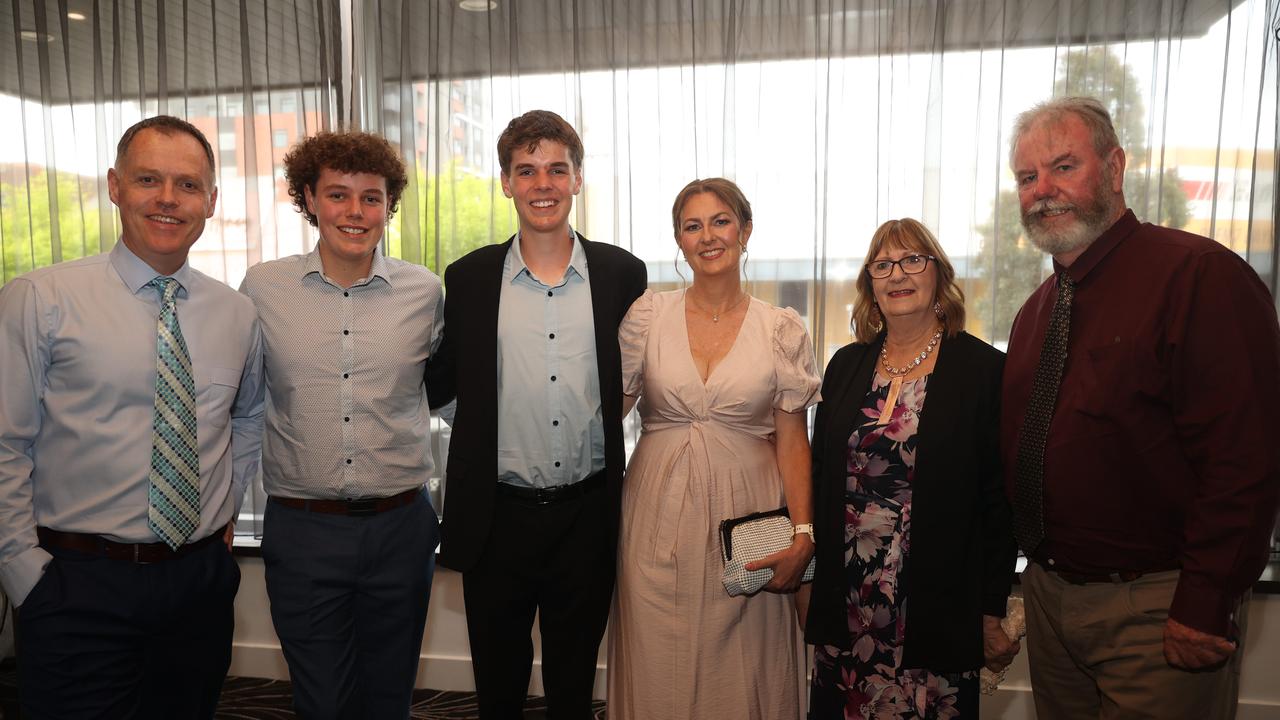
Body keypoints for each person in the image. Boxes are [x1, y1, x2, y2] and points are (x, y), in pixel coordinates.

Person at [1003, 96, 1280, 719]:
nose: (1043, 190)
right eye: (1027, 177)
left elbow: (1246, 458)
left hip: (1158, 610)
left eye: (1064, 167)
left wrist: (1207, 602)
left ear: (1115, 167)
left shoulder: (1200, 277)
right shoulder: (1034, 312)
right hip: (1048, 603)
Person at [0, 115, 264, 719]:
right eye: (149, 179)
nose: (168, 199)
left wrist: (222, 511)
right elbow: (5, 444)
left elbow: (246, 420)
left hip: (197, 583)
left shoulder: (236, 314)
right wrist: (26, 574)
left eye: (188, 185)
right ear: (116, 186)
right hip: (76, 583)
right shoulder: (40, 300)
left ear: (211, 201)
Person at [425, 110, 647, 718]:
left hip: (587, 515)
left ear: (577, 179)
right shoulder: (467, 278)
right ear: (506, 182)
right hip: (495, 518)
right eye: (526, 171)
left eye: (556, 168)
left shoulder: (623, 274)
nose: (542, 183)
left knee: (574, 688)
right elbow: (438, 381)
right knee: (498, 689)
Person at [239, 131, 442, 719]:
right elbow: (246, 405)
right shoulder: (263, 289)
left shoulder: (424, 292)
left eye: (371, 198)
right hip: (303, 532)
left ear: (388, 206)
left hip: (401, 528)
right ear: (309, 199)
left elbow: (447, 394)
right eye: (338, 195)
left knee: (390, 698)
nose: (355, 212)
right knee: (321, 701)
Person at [605, 178, 820, 720]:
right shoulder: (647, 318)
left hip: (748, 515)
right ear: (679, 240)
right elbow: (606, 414)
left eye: (720, 221)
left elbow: (794, 440)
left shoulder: (781, 329)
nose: (708, 236)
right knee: (658, 656)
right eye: (692, 225)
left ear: (745, 231)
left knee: (746, 663)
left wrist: (803, 533)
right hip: (655, 512)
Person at [805, 218, 1018, 718]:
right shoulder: (845, 365)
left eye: (912, 260)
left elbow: (999, 502)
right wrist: (810, 586)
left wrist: (991, 611)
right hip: (849, 611)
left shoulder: (982, 371)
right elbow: (819, 482)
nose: (898, 274)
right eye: (883, 265)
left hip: (935, 612)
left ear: (938, 275)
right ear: (870, 286)